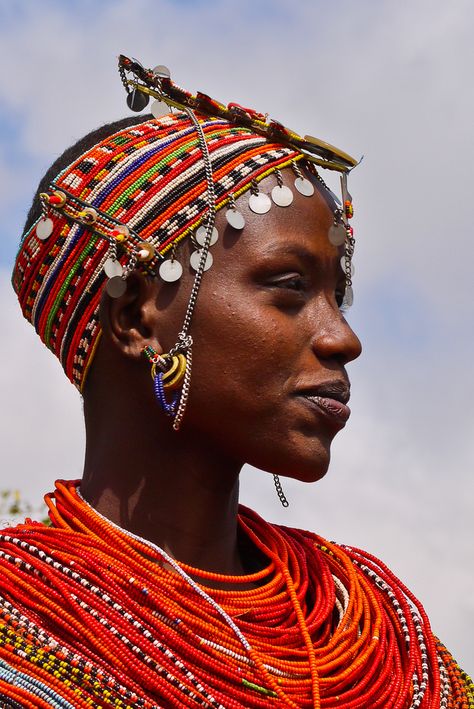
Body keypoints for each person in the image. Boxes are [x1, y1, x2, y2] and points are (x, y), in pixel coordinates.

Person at [0, 55, 471, 708]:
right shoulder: (21, 631)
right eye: (290, 286)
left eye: (339, 296)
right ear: (137, 314)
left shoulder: (380, 635)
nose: (343, 337)